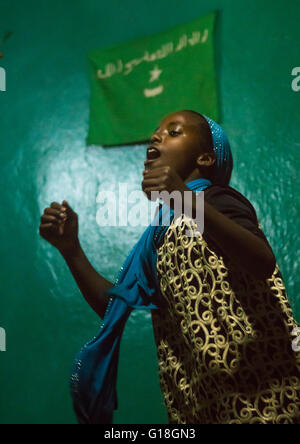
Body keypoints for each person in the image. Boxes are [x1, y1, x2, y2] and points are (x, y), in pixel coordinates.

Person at [39, 110, 300, 424]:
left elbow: (261, 261)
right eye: (156, 131)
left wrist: (185, 199)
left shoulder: (217, 200)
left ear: (205, 158)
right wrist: (72, 251)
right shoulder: (159, 234)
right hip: (201, 405)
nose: (156, 136)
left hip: (264, 395)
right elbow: (113, 306)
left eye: (174, 131)